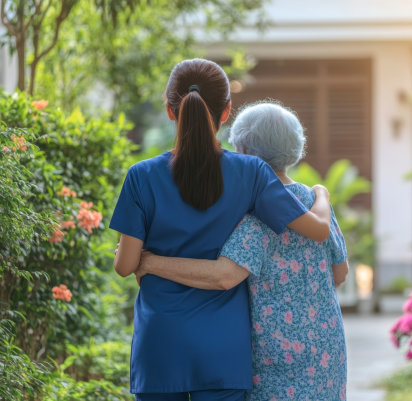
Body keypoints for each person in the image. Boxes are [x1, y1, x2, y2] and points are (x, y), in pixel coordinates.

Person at [110, 60, 332, 401]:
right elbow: (318, 230)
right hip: (224, 349)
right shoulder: (252, 173)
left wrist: (148, 262)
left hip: (160, 345)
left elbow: (125, 266)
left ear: (170, 110)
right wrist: (321, 193)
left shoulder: (141, 176)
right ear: (226, 111)